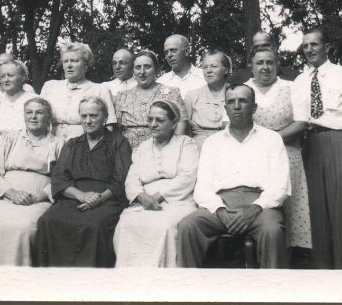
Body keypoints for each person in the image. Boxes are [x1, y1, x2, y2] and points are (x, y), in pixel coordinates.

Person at [177, 84, 291, 269]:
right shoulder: (212, 142)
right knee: (188, 227)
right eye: (231, 102)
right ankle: (190, 291)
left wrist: (254, 209)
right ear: (225, 108)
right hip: (222, 204)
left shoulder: (272, 139)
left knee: (272, 231)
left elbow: (281, 185)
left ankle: (273, 293)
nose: (236, 106)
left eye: (243, 101)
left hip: (260, 205)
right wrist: (220, 211)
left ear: (254, 107)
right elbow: (203, 187)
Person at [291, 27, 342, 269]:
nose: (309, 49)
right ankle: (322, 270)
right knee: (317, 211)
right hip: (312, 143)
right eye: (305, 45)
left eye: (314, 44)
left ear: (327, 47)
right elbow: (300, 118)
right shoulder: (300, 80)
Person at [0, 98, 65, 266]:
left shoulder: (58, 144)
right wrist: (11, 194)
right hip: (7, 196)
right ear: (23, 116)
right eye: (29, 112)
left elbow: (62, 177)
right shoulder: (9, 139)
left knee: (23, 229)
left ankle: (18, 276)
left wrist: (40, 196)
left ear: (48, 118)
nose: (33, 117)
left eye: (39, 113)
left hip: (36, 200)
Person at [35, 96, 132, 267]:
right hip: (74, 196)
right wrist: (80, 195)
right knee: (48, 221)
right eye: (84, 116)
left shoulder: (118, 143)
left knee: (94, 225)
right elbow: (59, 178)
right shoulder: (73, 144)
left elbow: (120, 180)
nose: (88, 121)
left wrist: (98, 199)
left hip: (107, 199)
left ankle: (91, 282)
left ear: (105, 117)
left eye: (93, 116)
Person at [113, 100, 199, 267]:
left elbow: (188, 177)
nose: (153, 124)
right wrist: (141, 196)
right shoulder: (143, 147)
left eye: (159, 120)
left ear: (174, 123)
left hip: (177, 202)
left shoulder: (186, 144)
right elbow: (132, 178)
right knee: (126, 224)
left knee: (163, 227)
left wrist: (158, 196)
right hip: (145, 202)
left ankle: (162, 281)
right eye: (150, 119)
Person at [244, 46, 312, 252]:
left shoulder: (291, 87)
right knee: (258, 203)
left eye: (270, 62)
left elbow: (302, 123)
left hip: (288, 154)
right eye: (259, 63)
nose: (265, 67)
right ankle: (257, 248)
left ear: (277, 65)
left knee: (290, 203)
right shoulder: (244, 89)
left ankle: (292, 252)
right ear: (251, 67)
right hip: (253, 157)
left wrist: (271, 140)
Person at [40, 42, 117, 141]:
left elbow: (109, 126)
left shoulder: (100, 90)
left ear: (86, 65)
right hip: (52, 146)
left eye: (74, 61)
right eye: (65, 61)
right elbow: (38, 118)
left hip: (85, 147)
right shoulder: (50, 87)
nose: (69, 65)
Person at [115, 50, 188, 149]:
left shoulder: (171, 93)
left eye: (147, 67)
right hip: (128, 153)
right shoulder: (122, 96)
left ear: (156, 69)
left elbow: (181, 124)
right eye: (137, 67)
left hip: (163, 151)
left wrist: (172, 150)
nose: (142, 72)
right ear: (133, 71)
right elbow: (117, 131)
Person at [183, 50, 232, 150]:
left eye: (214, 66)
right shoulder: (192, 96)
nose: (208, 70)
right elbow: (185, 131)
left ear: (226, 70)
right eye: (205, 67)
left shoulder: (235, 93)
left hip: (228, 148)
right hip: (198, 149)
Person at [0, 60, 37, 134]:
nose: (6, 80)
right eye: (2, 76)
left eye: (10, 75)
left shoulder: (35, 101)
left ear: (23, 77)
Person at [228, 31, 300, 84]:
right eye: (256, 47)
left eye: (265, 45)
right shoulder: (240, 76)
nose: (261, 49)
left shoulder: (293, 76)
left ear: (274, 47)